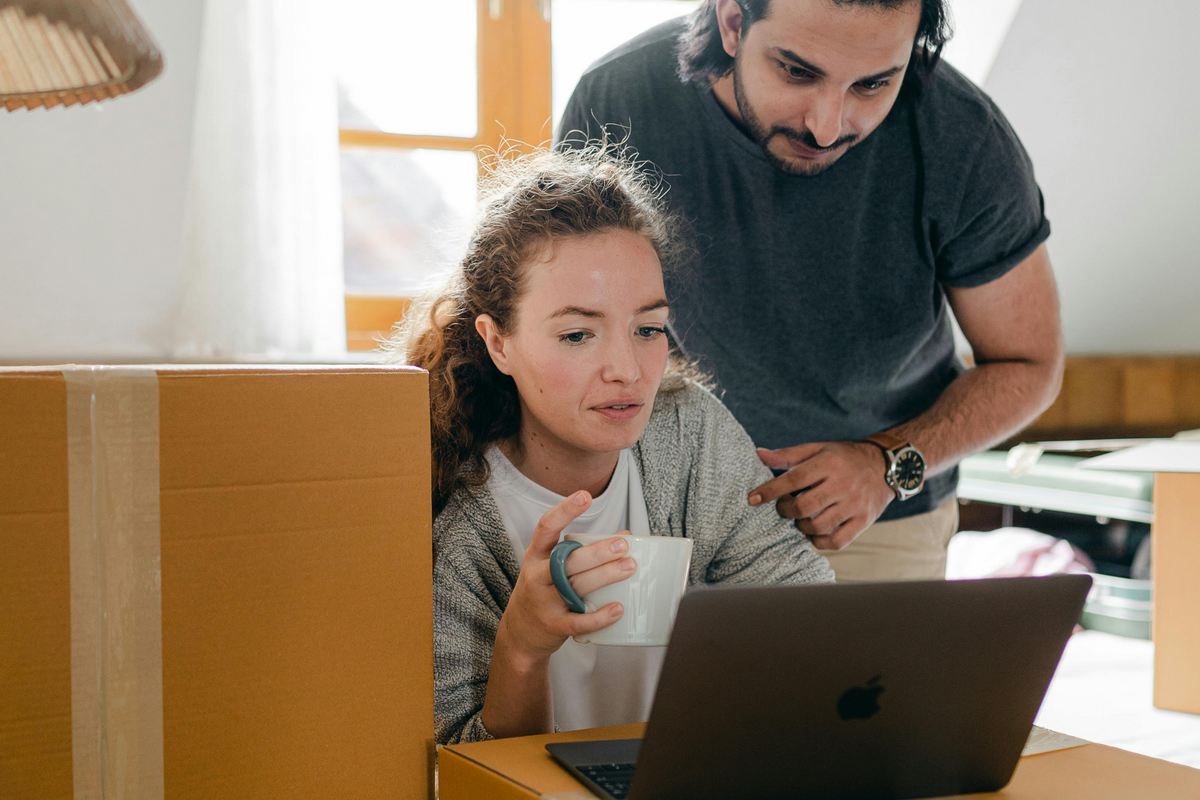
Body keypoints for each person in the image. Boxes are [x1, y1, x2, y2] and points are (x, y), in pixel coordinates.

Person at [556, 0, 1065, 582]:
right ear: (731, 22)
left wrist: (888, 462)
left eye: (873, 84)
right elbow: (569, 322)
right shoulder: (617, 99)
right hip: (657, 504)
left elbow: (1030, 364)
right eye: (798, 72)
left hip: (872, 516)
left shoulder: (966, 138)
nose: (827, 126)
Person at [391, 146, 832, 745]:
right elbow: (457, 775)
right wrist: (522, 644)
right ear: (498, 344)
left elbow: (808, 617)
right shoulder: (447, 509)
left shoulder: (691, 436)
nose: (627, 369)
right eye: (578, 334)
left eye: (648, 328)